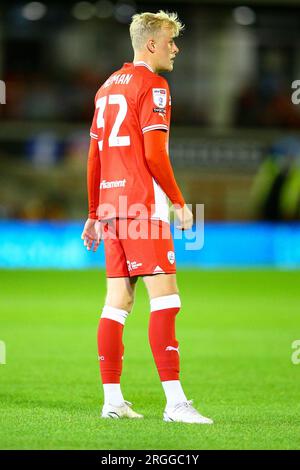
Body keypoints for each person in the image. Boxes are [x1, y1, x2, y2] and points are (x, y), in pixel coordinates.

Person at [81, 10, 213, 424]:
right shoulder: (154, 85)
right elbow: (154, 153)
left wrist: (92, 213)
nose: (176, 48)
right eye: (171, 40)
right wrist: (177, 201)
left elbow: (94, 155)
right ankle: (175, 404)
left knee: (117, 303)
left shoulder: (105, 87)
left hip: (111, 208)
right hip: (142, 207)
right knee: (167, 300)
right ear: (151, 44)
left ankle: (112, 400)